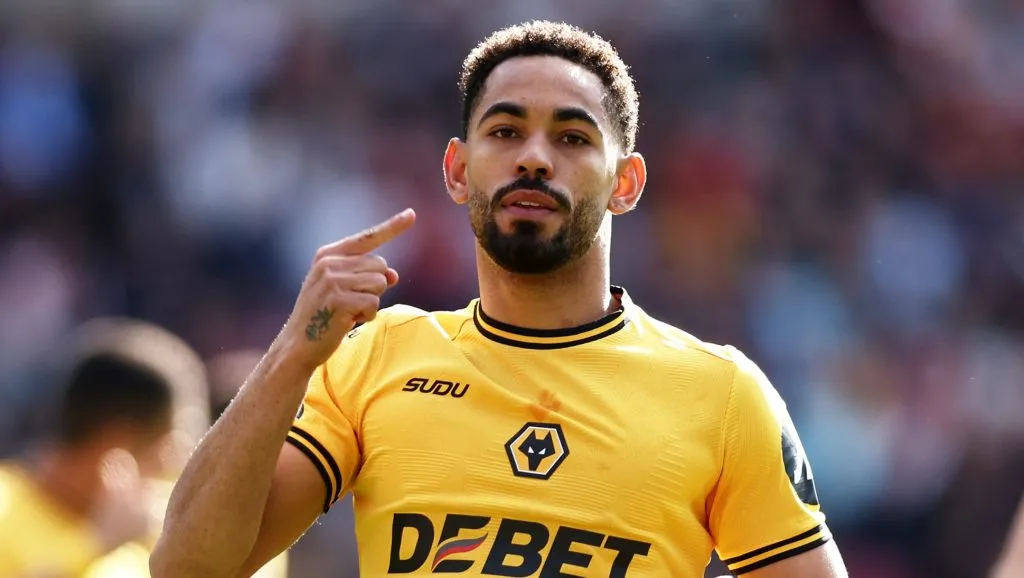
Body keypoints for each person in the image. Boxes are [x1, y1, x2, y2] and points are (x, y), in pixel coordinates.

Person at [152, 20, 849, 577]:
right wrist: (289, 357)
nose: (535, 157)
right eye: (506, 131)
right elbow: (187, 568)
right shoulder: (373, 359)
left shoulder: (722, 393)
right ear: (458, 169)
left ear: (626, 183)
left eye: (573, 137)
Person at [0, 318, 191, 577]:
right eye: (160, 457)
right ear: (116, 445)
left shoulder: (147, 544)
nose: (164, 477)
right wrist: (98, 542)